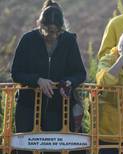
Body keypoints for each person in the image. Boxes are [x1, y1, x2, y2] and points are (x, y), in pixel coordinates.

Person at [11, 0, 86, 153]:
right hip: (27, 107)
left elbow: (80, 73)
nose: (52, 36)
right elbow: (16, 73)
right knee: (24, 150)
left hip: (57, 109)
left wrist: (69, 81)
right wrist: (37, 80)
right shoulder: (27, 40)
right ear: (40, 25)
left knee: (53, 151)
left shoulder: (69, 40)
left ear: (62, 28)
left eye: (57, 32)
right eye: (48, 32)